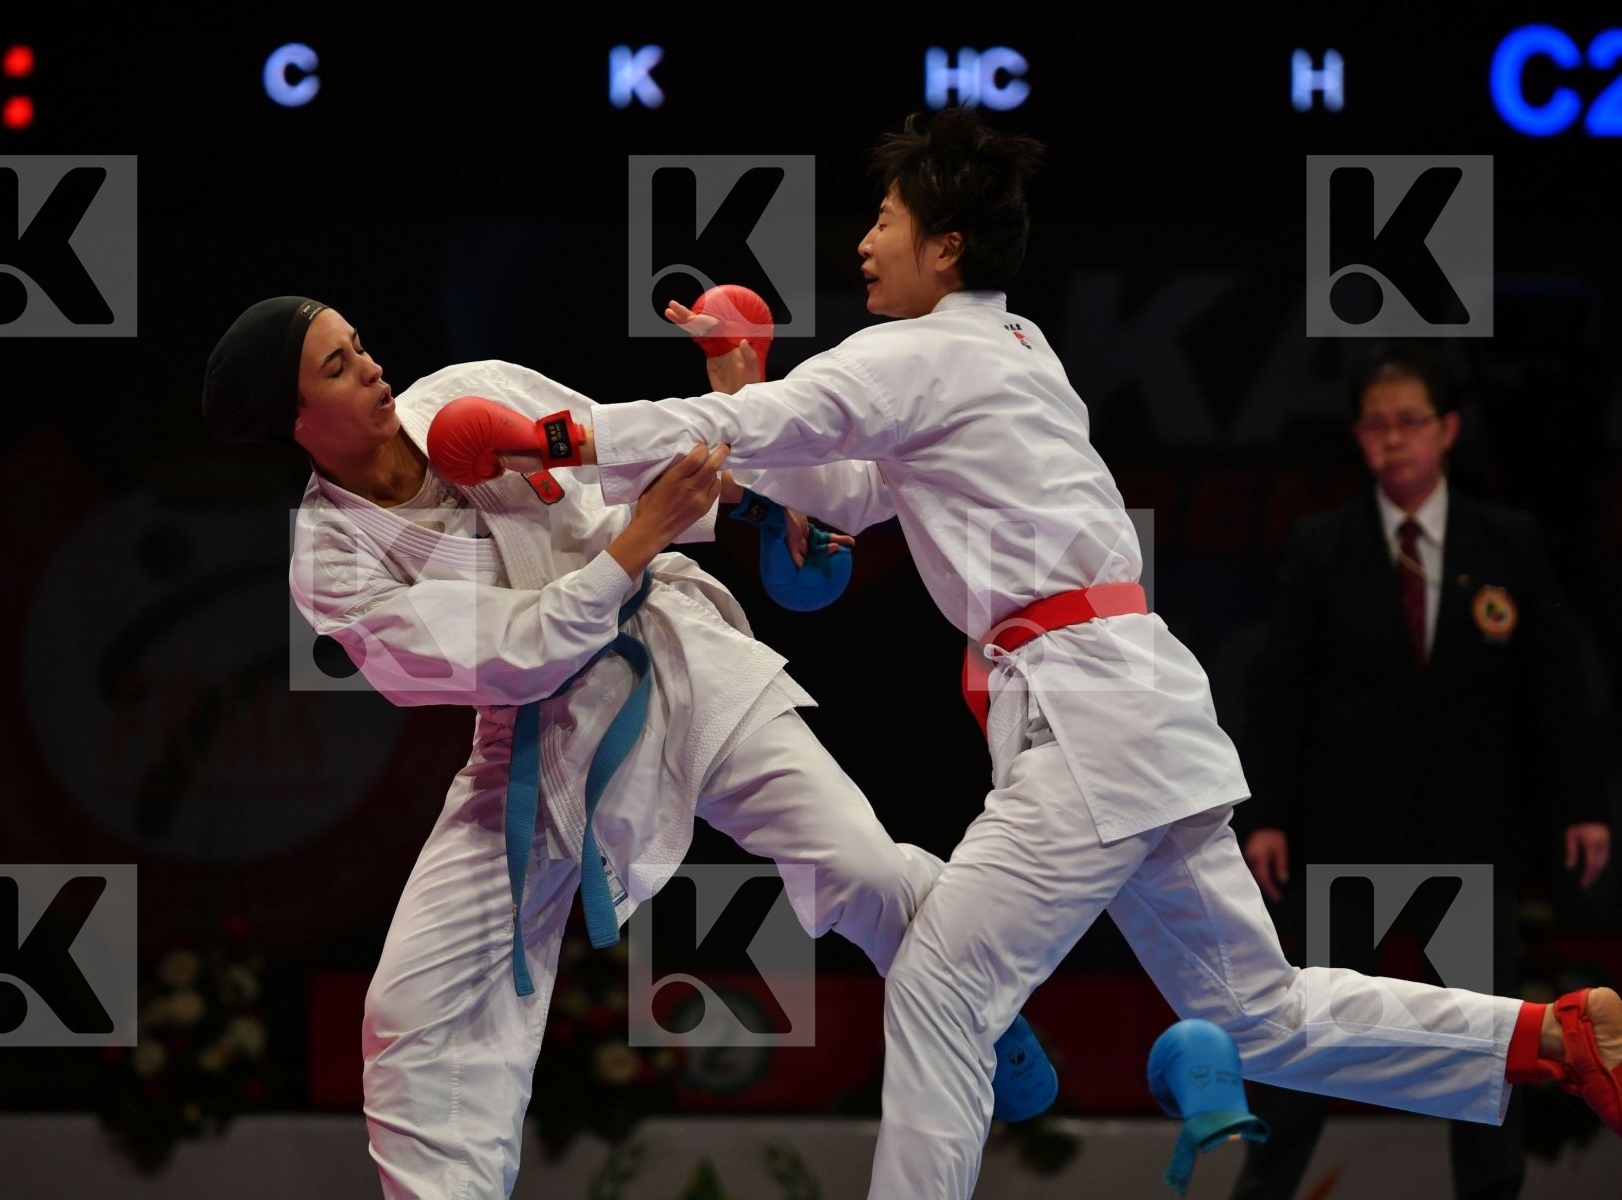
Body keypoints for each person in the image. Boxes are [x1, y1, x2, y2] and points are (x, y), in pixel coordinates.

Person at [427, 108, 1622, 1199]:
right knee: (1259, 1018)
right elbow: (836, 494)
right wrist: (743, 376)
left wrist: (555, 436)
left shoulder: (921, 356)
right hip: (1134, 702)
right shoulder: (1012, 350)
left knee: (945, 985)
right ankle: (1552, 1038)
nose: (864, 245)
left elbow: (753, 437)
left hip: (1088, 715)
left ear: (946, 246)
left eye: (886, 222)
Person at [198, 296, 1054, 1199]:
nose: (372, 367)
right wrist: (638, 539)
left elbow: (615, 449)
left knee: (863, 870)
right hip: (539, 736)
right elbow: (507, 655)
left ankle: (977, 999)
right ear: (294, 423)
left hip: (681, 655)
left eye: (359, 345)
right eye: (338, 367)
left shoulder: (466, 393)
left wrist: (767, 499)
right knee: (412, 1006)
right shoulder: (334, 562)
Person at [1230, 342, 1611, 1200]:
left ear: (1446, 430)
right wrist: (1268, 817)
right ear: (1358, 437)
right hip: (1344, 831)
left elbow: (1555, 689)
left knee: (1489, 1054)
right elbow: (1279, 692)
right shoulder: (1322, 546)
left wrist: (1583, 806)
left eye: (1409, 423)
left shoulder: (1504, 543)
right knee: (1307, 1045)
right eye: (1374, 425)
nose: (1392, 440)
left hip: (1470, 833)